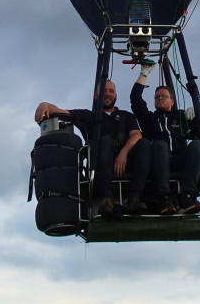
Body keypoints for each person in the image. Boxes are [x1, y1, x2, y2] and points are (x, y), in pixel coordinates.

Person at [35, 79, 150, 217]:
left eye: (111, 91)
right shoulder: (89, 116)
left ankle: (135, 198)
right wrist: (44, 105)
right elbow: (60, 111)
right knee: (105, 140)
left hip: (125, 163)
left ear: (116, 95)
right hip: (100, 165)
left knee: (144, 143)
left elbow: (136, 135)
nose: (108, 94)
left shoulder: (126, 116)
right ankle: (106, 199)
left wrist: (123, 153)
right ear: (96, 95)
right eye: (104, 91)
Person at [129, 62, 200, 215]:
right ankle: (164, 196)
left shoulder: (182, 117)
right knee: (160, 144)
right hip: (158, 161)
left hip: (178, 159)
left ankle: (187, 195)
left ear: (172, 101)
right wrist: (144, 74)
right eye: (157, 97)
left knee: (197, 146)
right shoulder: (149, 119)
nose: (159, 99)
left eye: (163, 96)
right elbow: (135, 99)